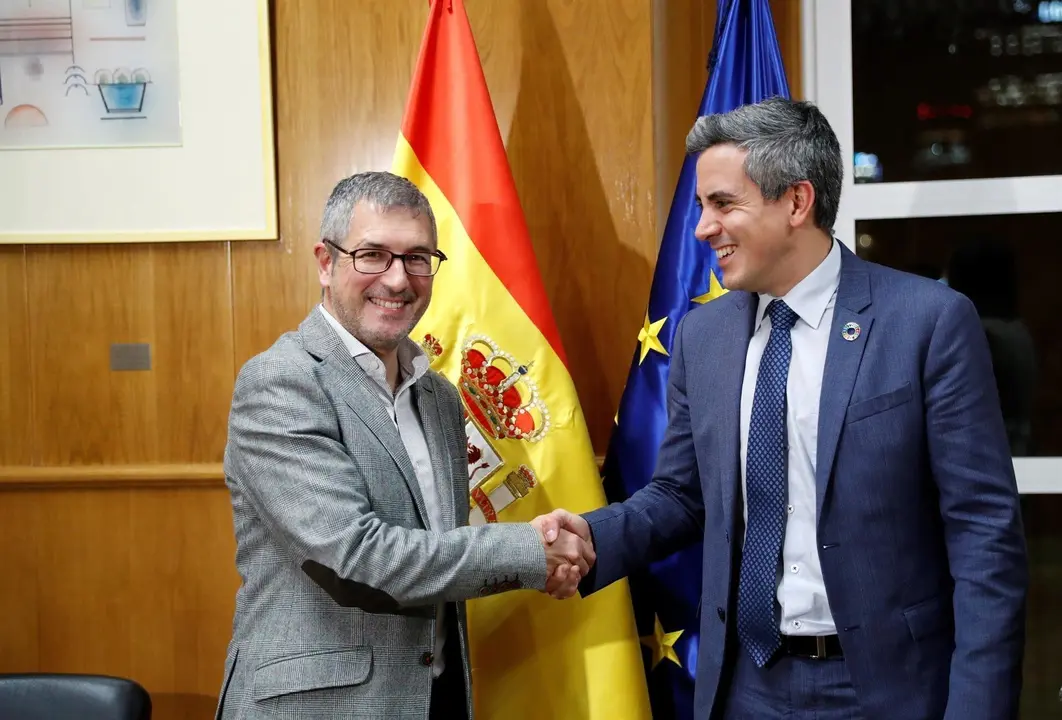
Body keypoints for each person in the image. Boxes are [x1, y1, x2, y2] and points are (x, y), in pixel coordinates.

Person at [540, 97, 1028, 719]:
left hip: (887, 688)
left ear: (797, 202)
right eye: (701, 207)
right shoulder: (704, 336)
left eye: (723, 204)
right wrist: (592, 536)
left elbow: (984, 535)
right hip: (745, 686)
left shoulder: (926, 322)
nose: (702, 229)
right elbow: (683, 495)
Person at [215, 171, 593, 720]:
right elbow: (358, 558)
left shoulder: (437, 396)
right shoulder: (282, 382)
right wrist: (532, 553)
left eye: (418, 258)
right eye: (372, 255)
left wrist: (546, 555)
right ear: (325, 262)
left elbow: (437, 549)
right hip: (319, 707)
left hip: (431, 697)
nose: (397, 280)